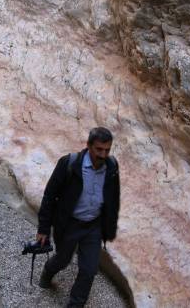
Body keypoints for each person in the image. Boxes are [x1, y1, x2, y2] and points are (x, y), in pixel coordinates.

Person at [36, 127, 121, 308]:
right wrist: (43, 229)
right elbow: (50, 195)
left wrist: (109, 227)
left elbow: (113, 197)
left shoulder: (112, 166)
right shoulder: (69, 163)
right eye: (99, 149)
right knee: (63, 259)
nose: (103, 154)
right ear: (89, 146)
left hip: (93, 226)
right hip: (69, 224)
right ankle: (47, 272)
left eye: (107, 150)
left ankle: (76, 304)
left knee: (89, 270)